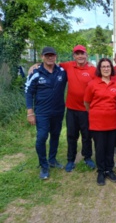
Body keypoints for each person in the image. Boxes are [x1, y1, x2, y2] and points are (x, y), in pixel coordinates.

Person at [25, 47, 67, 179]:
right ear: (42, 56)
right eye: (47, 55)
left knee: (55, 136)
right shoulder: (36, 72)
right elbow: (28, 92)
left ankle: (52, 160)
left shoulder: (62, 71)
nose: (50, 57)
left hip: (58, 111)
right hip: (42, 112)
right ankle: (44, 165)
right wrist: (30, 113)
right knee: (41, 137)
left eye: (52, 55)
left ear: (56, 56)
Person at [59, 45, 97, 172]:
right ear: (74, 56)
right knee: (71, 135)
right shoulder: (68, 66)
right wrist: (35, 65)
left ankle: (87, 157)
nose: (80, 56)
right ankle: (71, 159)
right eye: (77, 54)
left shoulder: (93, 70)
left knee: (87, 135)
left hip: (87, 110)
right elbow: (51, 63)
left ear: (86, 55)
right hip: (71, 109)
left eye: (82, 53)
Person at [84, 58, 116, 186]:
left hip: (112, 121)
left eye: (108, 66)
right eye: (103, 66)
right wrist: (96, 112)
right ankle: (101, 171)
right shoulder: (92, 84)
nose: (106, 69)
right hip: (97, 122)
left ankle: (109, 169)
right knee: (100, 148)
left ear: (112, 69)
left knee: (110, 147)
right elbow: (87, 102)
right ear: (99, 69)